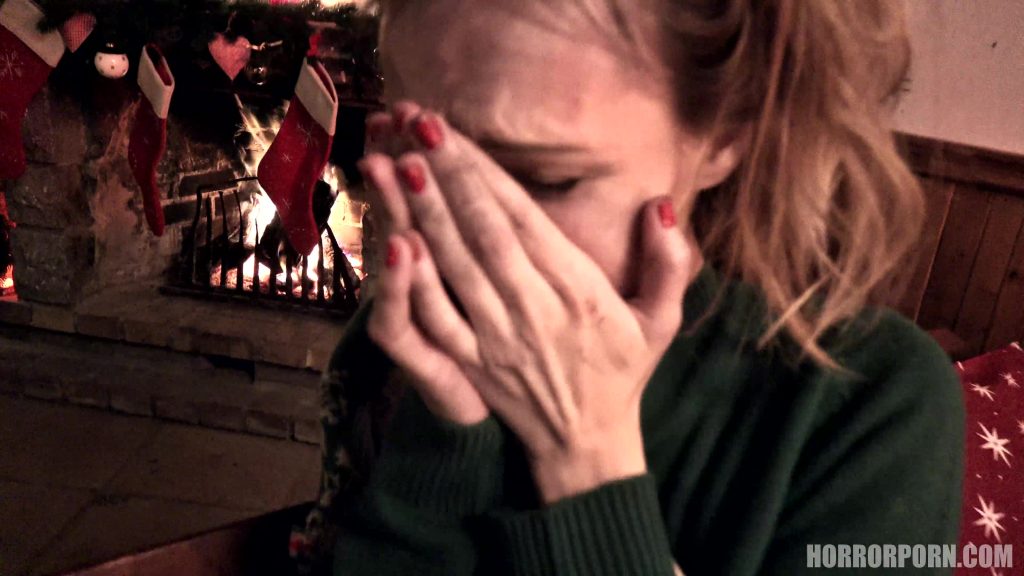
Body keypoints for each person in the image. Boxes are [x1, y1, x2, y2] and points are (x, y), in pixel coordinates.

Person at [316, 1, 966, 574]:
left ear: (723, 138)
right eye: (420, 159)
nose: (465, 234)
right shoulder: (406, 339)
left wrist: (587, 459)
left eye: (547, 179)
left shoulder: (875, 405)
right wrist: (440, 445)